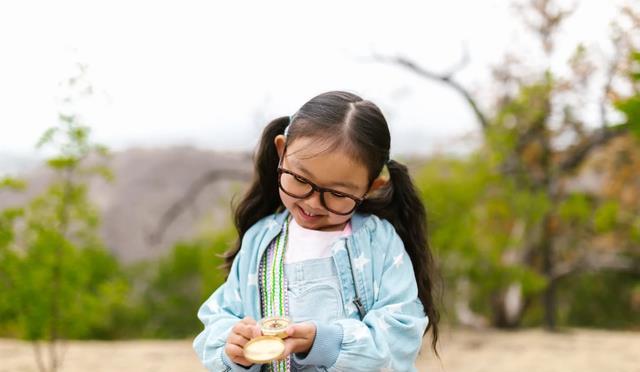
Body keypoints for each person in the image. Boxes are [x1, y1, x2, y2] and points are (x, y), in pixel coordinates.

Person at [193, 91, 440, 371]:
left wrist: (323, 342)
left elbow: (399, 336)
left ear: (372, 187)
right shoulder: (260, 241)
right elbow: (219, 320)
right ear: (281, 151)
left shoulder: (379, 244)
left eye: (337, 193)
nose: (312, 203)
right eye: (300, 179)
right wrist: (233, 346)